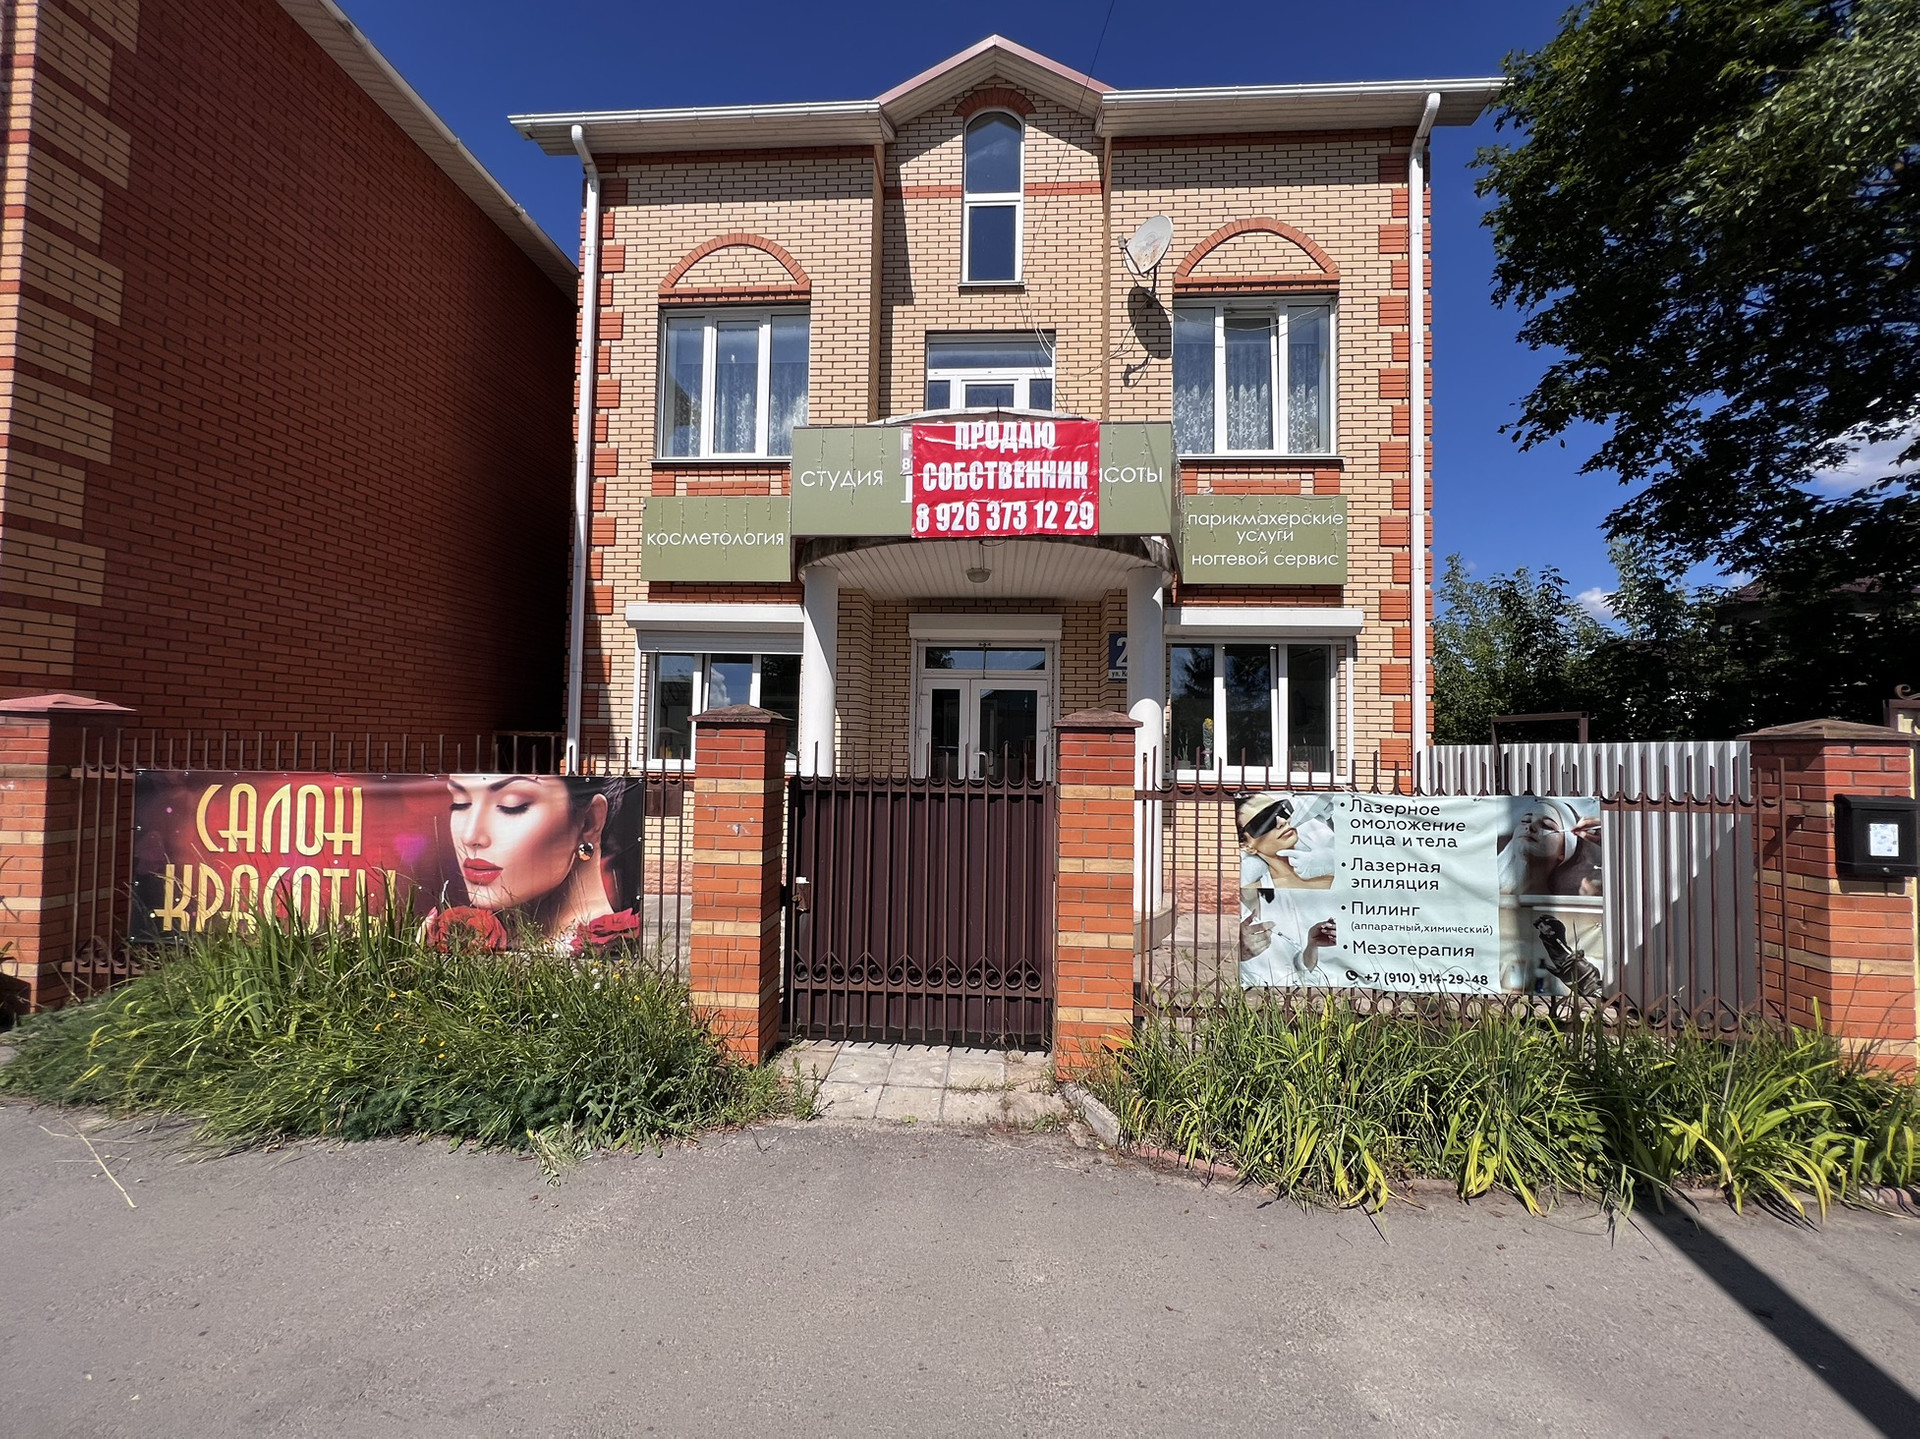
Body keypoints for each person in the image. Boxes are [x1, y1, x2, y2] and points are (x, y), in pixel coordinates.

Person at [446, 774, 627, 944]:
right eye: (460, 804)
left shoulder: (615, 949)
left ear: (589, 821)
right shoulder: (466, 938)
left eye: (512, 805)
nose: (469, 836)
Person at [1497, 797, 1602, 896]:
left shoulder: (1568, 905)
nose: (1530, 826)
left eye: (1546, 825)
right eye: (1525, 821)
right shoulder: (1490, 896)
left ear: (1563, 853)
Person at [1234, 792, 1336, 891]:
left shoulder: (1331, 871)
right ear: (1246, 846)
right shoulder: (1254, 892)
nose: (1282, 821)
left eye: (1281, 811)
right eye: (1264, 821)